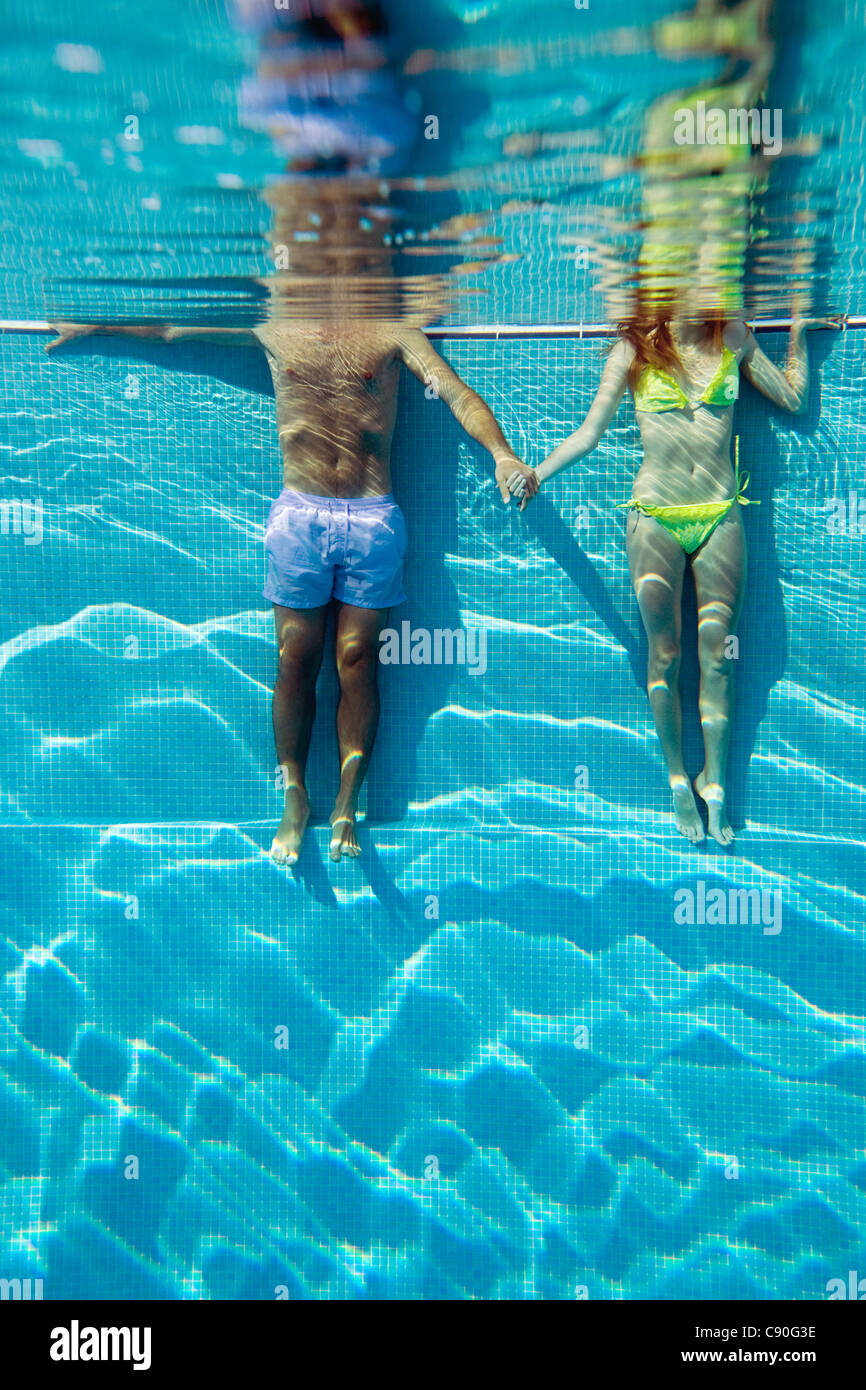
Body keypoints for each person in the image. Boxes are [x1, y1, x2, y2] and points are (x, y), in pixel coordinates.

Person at [46, 314, 534, 864]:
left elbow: (457, 395)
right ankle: (295, 795)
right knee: (294, 657)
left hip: (372, 518)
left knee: (356, 659)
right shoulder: (274, 324)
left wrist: (502, 454)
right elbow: (173, 332)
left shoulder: (395, 329)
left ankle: (349, 797)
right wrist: (94, 329)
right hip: (300, 517)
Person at [509, 315, 833, 844]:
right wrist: (537, 474)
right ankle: (679, 776)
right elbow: (591, 433)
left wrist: (797, 331)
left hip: (719, 515)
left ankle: (717, 782)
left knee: (719, 656)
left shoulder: (732, 336)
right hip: (655, 517)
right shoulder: (631, 351)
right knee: (665, 655)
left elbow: (793, 399)